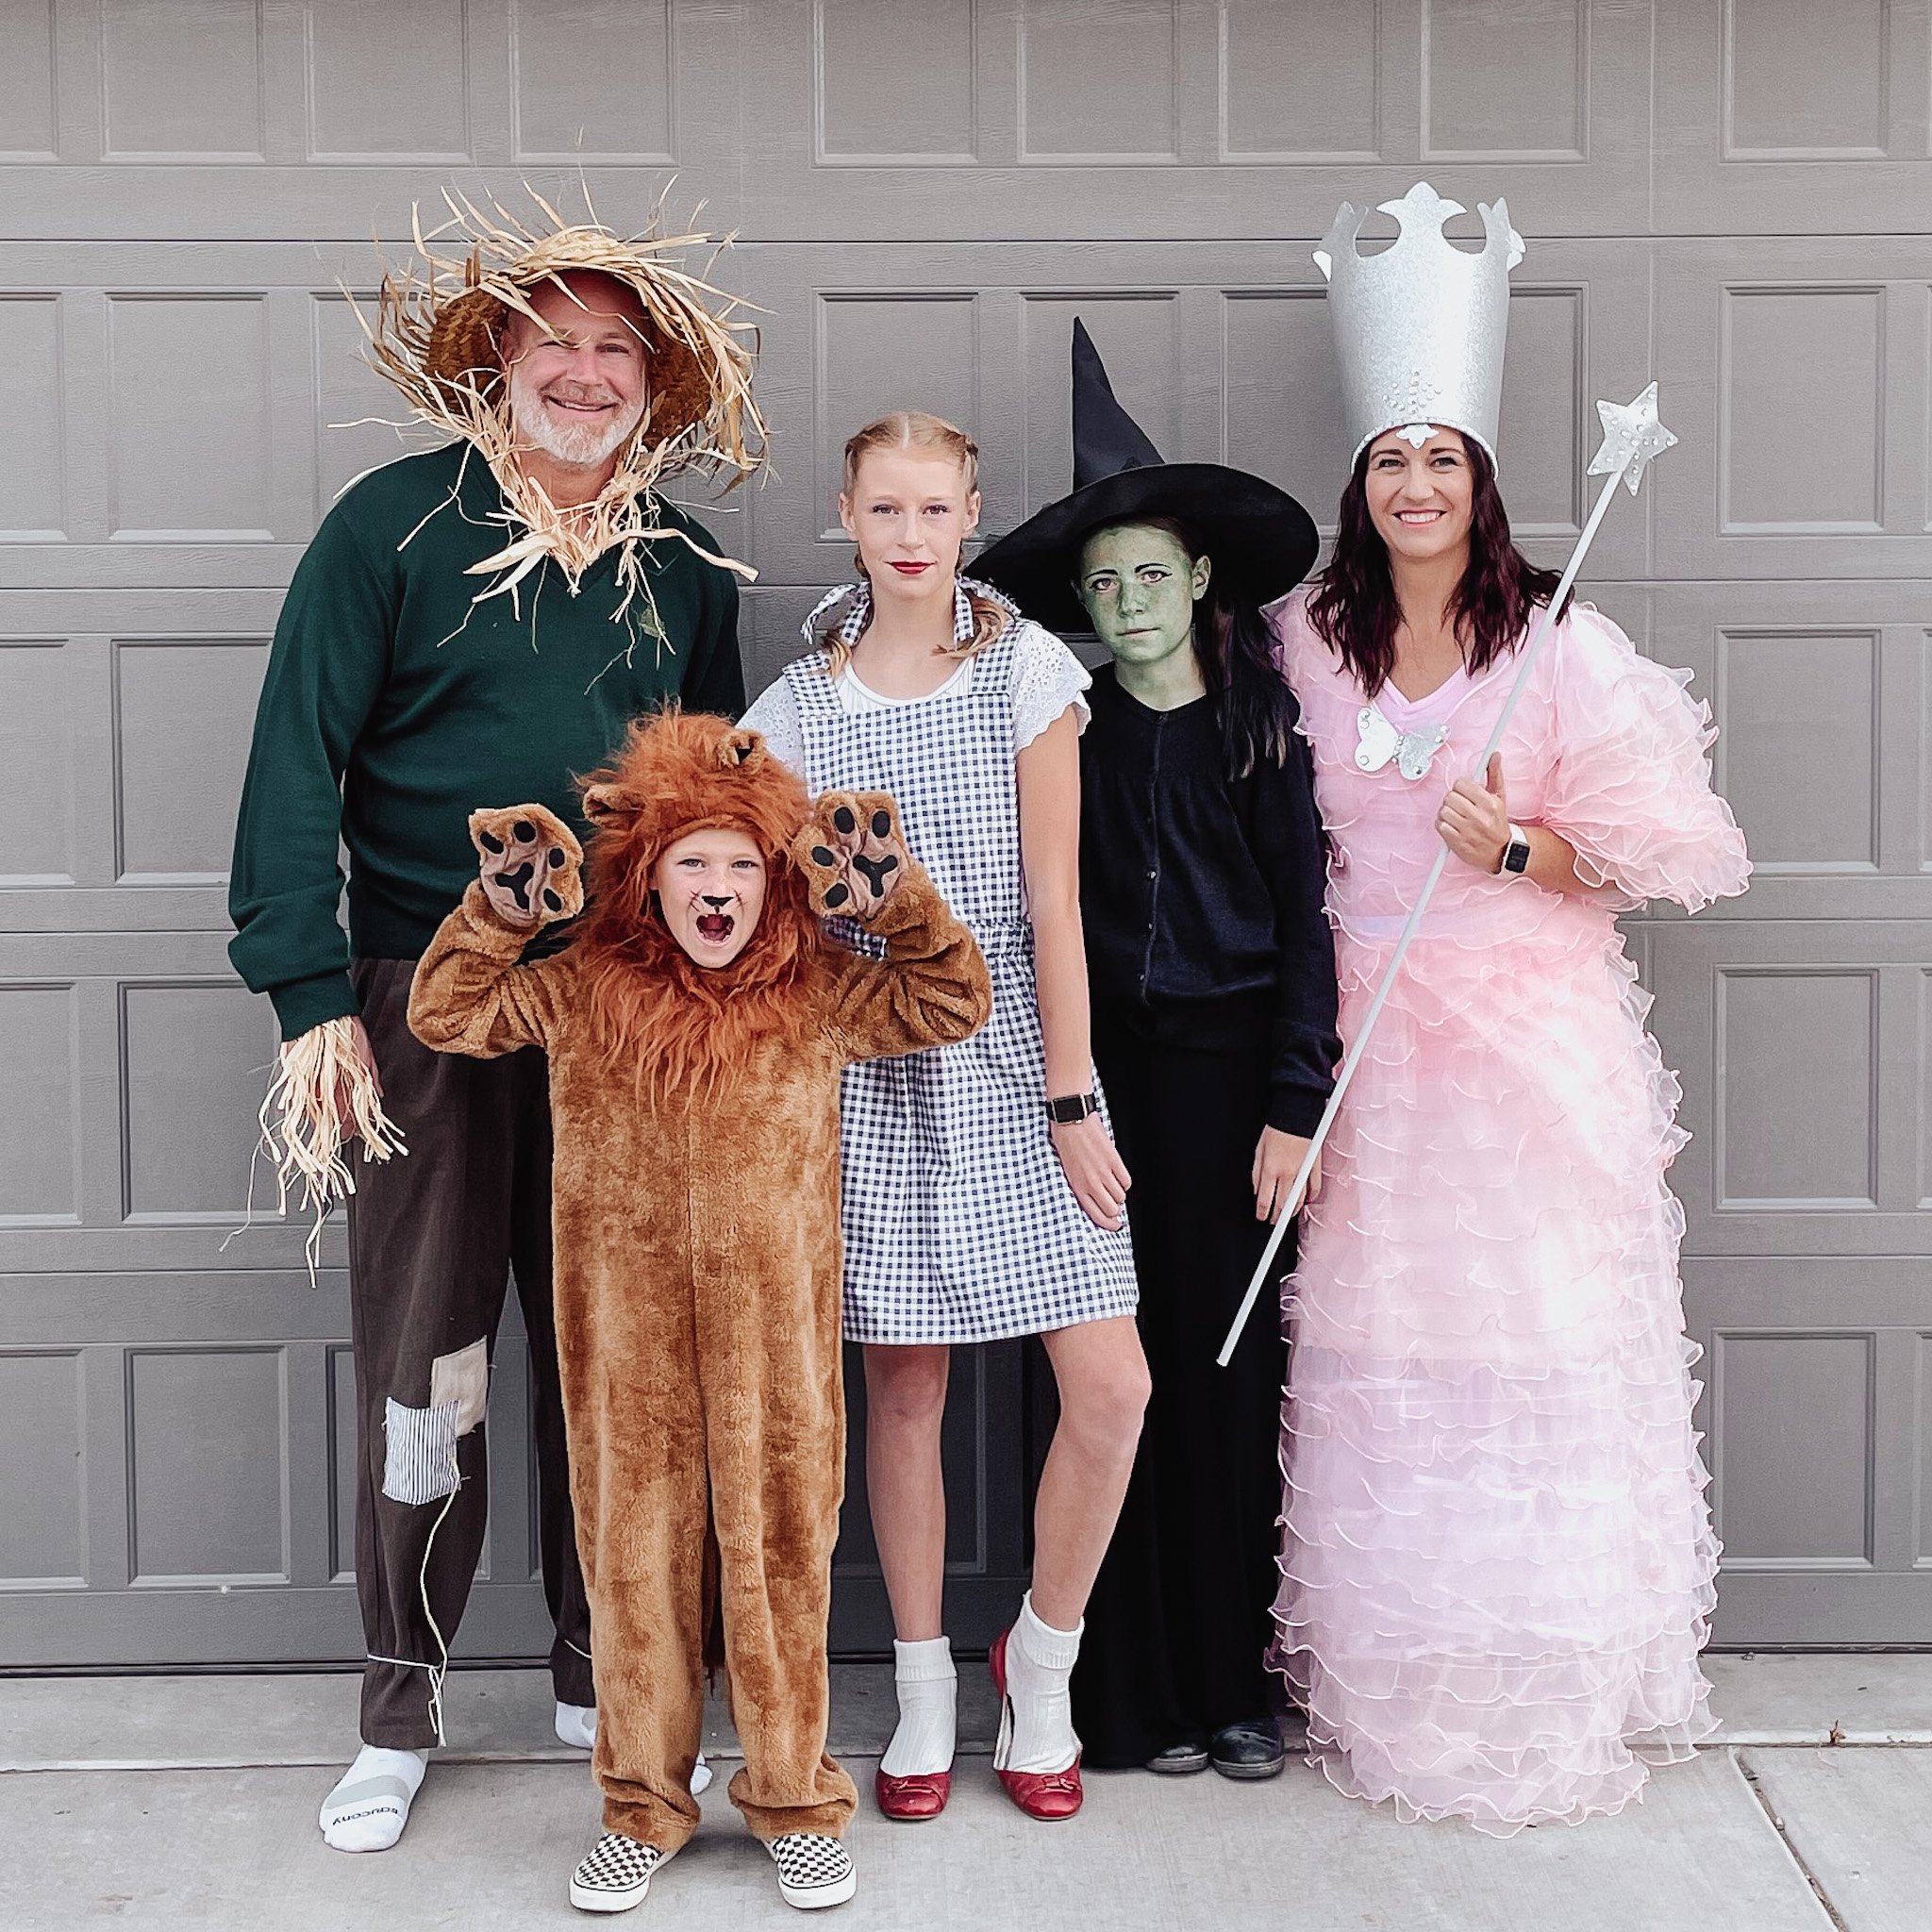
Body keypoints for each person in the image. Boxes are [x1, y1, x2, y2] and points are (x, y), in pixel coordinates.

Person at [226, 194, 761, 1853]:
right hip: (425, 996)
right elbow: (290, 759)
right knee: (427, 1361)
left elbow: (720, 788)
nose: (584, 373)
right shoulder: (392, 527)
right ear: (494, 360)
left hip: (626, 1011)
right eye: (555, 342)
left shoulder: (680, 563)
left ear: (655, 384)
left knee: (620, 1359)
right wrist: (309, 987)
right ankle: (400, 1700)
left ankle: (610, 1680)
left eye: (616, 347)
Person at [1267, 182, 1751, 1833]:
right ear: (1360, 485)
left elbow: (1683, 846)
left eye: (1441, 460)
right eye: (1390, 457)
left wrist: (1530, 842)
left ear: (1479, 488)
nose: (1414, 484)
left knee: (1527, 1354)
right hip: (1363, 1057)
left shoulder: (1559, 644)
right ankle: (1400, 1681)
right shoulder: (1297, 649)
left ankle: (1539, 1675)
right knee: (1386, 1357)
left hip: (1529, 1066)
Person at [408, 711, 991, 1912]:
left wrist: (893, 902)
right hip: (626, 1361)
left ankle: (791, 1797)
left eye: (737, 861)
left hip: (776, 1355)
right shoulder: (578, 990)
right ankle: (641, 1803)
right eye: (690, 863)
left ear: (774, 872)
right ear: (646, 876)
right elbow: (445, 1013)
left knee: (782, 1564)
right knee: (634, 1571)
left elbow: (948, 1000)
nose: (715, 887)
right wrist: (504, 914)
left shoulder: (819, 988)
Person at [741, 411, 1147, 1823]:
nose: (911, 535)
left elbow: (1055, 902)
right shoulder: (794, 713)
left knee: (1114, 1389)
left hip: (1019, 1064)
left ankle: (1042, 1668)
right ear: (847, 517)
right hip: (868, 1080)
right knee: (904, 1389)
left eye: (935, 509)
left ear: (972, 511)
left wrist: (1075, 1097)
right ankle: (920, 1693)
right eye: (884, 510)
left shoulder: (1025, 672)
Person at [975, 320, 1339, 1781]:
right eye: (1103, 582)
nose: (1129, 602)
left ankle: (1225, 1683)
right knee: (1098, 1383)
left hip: (1228, 1087)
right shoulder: (1065, 733)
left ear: (1200, 583)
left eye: (1152, 576)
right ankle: (1108, 1690)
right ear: (1082, 602)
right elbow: (1039, 909)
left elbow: (1309, 927)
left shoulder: (1265, 732)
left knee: (1224, 1382)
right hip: (1092, 1088)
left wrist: (1293, 1102)